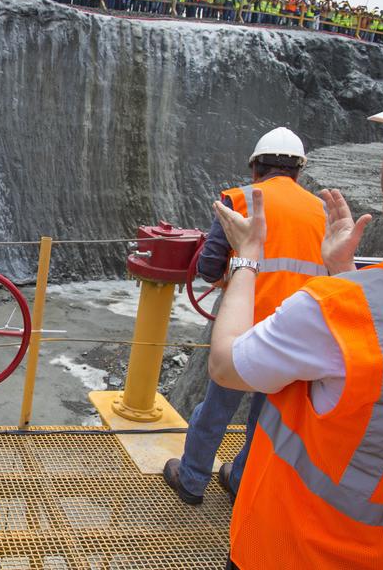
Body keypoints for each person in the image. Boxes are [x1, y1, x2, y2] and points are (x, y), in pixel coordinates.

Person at [210, 49, 383, 568]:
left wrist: (247, 259)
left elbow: (225, 365)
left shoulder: (341, 310)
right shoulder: (356, 300)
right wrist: (345, 271)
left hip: (296, 553)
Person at [163, 127, 326, 507]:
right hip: (297, 331)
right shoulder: (321, 210)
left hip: (247, 326)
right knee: (265, 418)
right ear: (299, 173)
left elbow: (207, 267)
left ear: (255, 169)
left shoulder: (238, 200)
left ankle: (192, 479)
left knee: (216, 407)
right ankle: (240, 480)